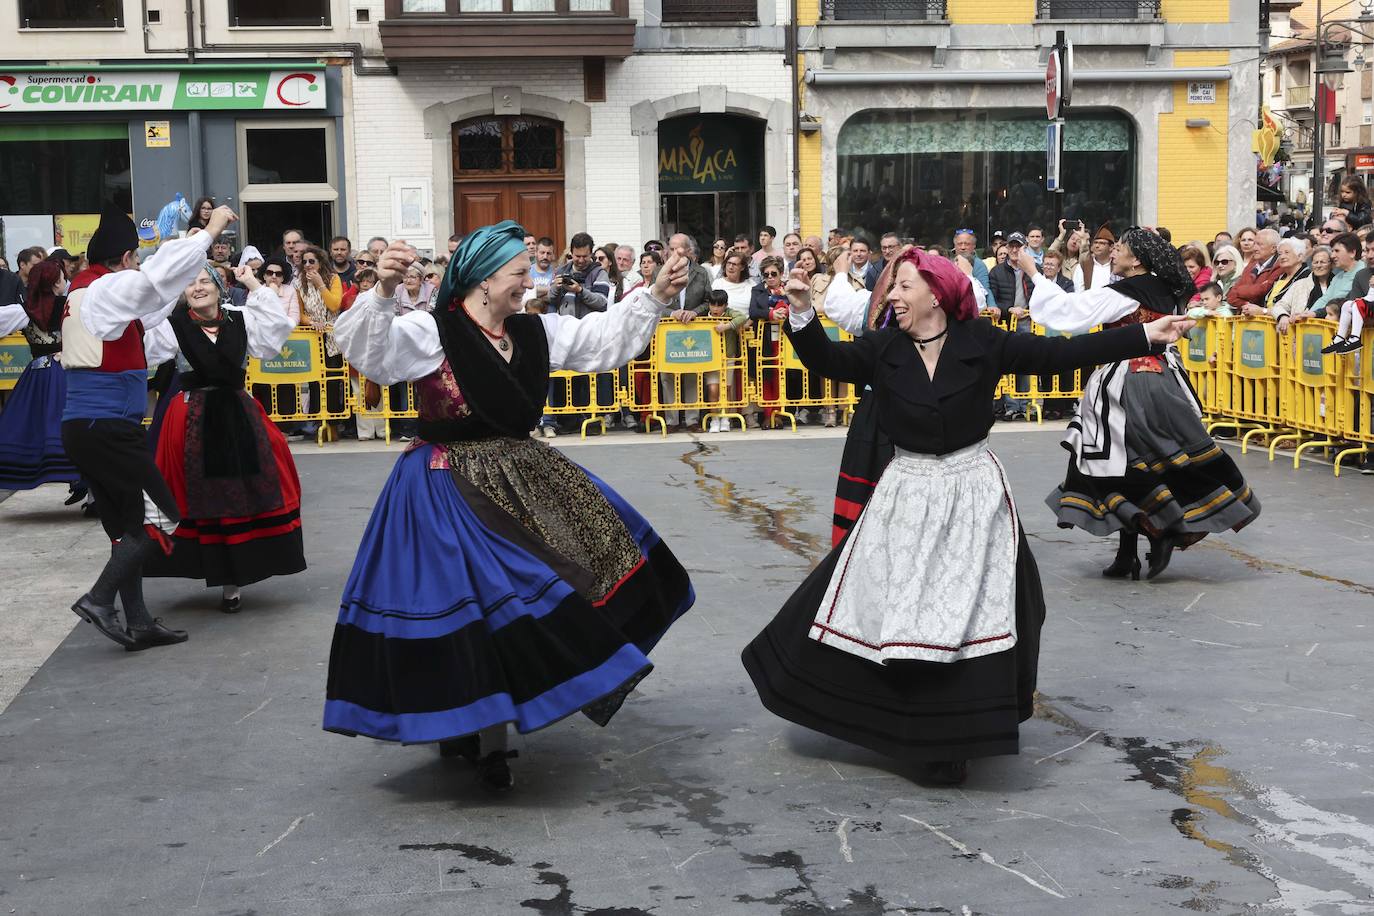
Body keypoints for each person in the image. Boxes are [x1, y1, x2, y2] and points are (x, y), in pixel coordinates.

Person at [742, 249, 1193, 785]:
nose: (891, 296)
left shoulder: (982, 341)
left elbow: (1061, 355)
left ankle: (954, 736)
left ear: (936, 292)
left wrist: (1145, 336)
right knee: (900, 607)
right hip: (906, 492)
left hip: (972, 491)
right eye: (892, 288)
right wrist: (800, 313)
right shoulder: (886, 346)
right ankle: (891, 719)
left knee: (973, 611)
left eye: (903, 287)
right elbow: (828, 362)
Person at [323, 222, 696, 791]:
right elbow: (374, 356)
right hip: (446, 488)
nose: (528, 281)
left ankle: (493, 734)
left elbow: (601, 339)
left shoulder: (534, 330)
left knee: (560, 577)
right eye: (519, 273)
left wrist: (657, 296)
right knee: (475, 608)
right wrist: (379, 291)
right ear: (483, 279)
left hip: (523, 477)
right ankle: (473, 724)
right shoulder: (431, 329)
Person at [1028, 228, 1261, 581]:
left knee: (1119, 464)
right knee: (1144, 464)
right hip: (1164, 379)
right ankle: (1131, 550)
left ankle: (1157, 534)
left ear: (1136, 260)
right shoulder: (1166, 289)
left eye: (1119, 248)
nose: (1114, 252)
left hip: (1127, 384)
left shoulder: (1123, 294)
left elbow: (1066, 312)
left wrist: (1034, 275)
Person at [62, 202, 238, 651]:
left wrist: (188, 270)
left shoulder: (89, 294)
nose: (138, 265)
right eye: (135, 258)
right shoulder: (104, 290)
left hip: (90, 427)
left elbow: (151, 307)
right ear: (123, 260)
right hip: (107, 429)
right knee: (165, 515)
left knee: (126, 527)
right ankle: (101, 600)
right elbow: (149, 283)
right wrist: (207, 232)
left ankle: (138, 621)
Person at [141, 259, 303, 613]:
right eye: (189, 284)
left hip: (237, 417)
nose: (197, 288)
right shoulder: (174, 325)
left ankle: (234, 580)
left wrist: (256, 287)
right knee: (194, 493)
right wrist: (165, 293)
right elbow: (147, 343)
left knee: (240, 492)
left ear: (219, 286)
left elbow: (277, 331)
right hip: (190, 420)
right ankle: (209, 567)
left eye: (204, 281)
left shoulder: (242, 319)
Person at [0, 259, 82, 498]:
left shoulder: (24, 310)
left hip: (38, 376)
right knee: (76, 427)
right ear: (57, 282)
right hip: (71, 373)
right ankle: (84, 482)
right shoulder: (72, 306)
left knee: (34, 428)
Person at [1226, 228, 1282, 308]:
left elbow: (1262, 290)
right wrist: (1246, 305)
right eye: (1255, 244)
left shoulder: (1279, 265)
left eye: (1259, 244)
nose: (1254, 248)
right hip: (1246, 315)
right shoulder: (1252, 264)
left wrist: (1238, 291)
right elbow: (1231, 296)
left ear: (1273, 249)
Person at [1072, 225, 1116, 292]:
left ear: (1111, 247)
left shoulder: (1117, 266)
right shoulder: (1084, 265)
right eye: (1095, 243)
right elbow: (1078, 290)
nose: (1097, 246)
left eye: (1102, 243)